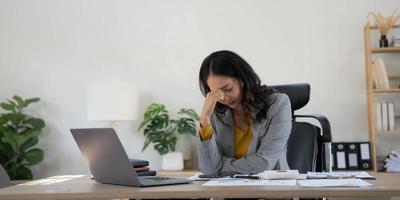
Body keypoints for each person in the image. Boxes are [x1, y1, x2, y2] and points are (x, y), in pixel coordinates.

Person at [197, 50, 292, 175]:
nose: (223, 98)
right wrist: (204, 120)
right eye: (215, 93)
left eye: (227, 88)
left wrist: (219, 167)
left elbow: (263, 164)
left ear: (241, 79)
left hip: (269, 190)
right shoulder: (216, 112)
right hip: (227, 191)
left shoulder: (278, 104)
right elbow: (208, 169)